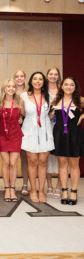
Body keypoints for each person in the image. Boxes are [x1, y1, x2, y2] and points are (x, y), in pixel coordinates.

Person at [50, 77, 84, 205]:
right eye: (66, 84)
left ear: (75, 87)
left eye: (72, 85)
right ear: (62, 86)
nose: (69, 87)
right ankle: (64, 191)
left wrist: (81, 116)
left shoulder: (79, 101)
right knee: (62, 163)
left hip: (75, 134)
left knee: (74, 164)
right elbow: (50, 117)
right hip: (59, 133)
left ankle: (74, 191)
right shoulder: (56, 100)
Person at [21, 72, 54, 203]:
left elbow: (51, 114)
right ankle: (33, 190)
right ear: (31, 81)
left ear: (43, 82)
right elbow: (22, 113)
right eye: (35, 78)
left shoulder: (49, 96)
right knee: (32, 161)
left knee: (43, 161)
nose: (38, 81)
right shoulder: (24, 96)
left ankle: (41, 190)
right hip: (30, 130)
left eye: (40, 79)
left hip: (45, 131)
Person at [0, 79, 24, 202]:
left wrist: (21, 119)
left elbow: (24, 114)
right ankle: (6, 188)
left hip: (15, 134)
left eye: (13, 86)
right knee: (5, 162)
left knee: (13, 163)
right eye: (9, 86)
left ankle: (12, 188)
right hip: (2, 134)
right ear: (5, 88)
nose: (11, 88)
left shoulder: (19, 101)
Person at [46, 67, 62, 199]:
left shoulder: (63, 90)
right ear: (47, 76)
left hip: (61, 126)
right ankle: (49, 185)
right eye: (51, 74)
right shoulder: (42, 91)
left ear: (58, 76)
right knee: (47, 157)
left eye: (55, 74)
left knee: (62, 157)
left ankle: (59, 186)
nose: (53, 76)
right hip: (46, 125)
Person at [14, 69, 29, 195]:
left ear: (25, 78)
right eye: (17, 76)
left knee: (25, 158)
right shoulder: (10, 92)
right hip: (12, 129)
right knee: (11, 160)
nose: (19, 78)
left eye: (21, 76)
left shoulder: (29, 94)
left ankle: (25, 184)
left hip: (26, 128)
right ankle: (10, 185)